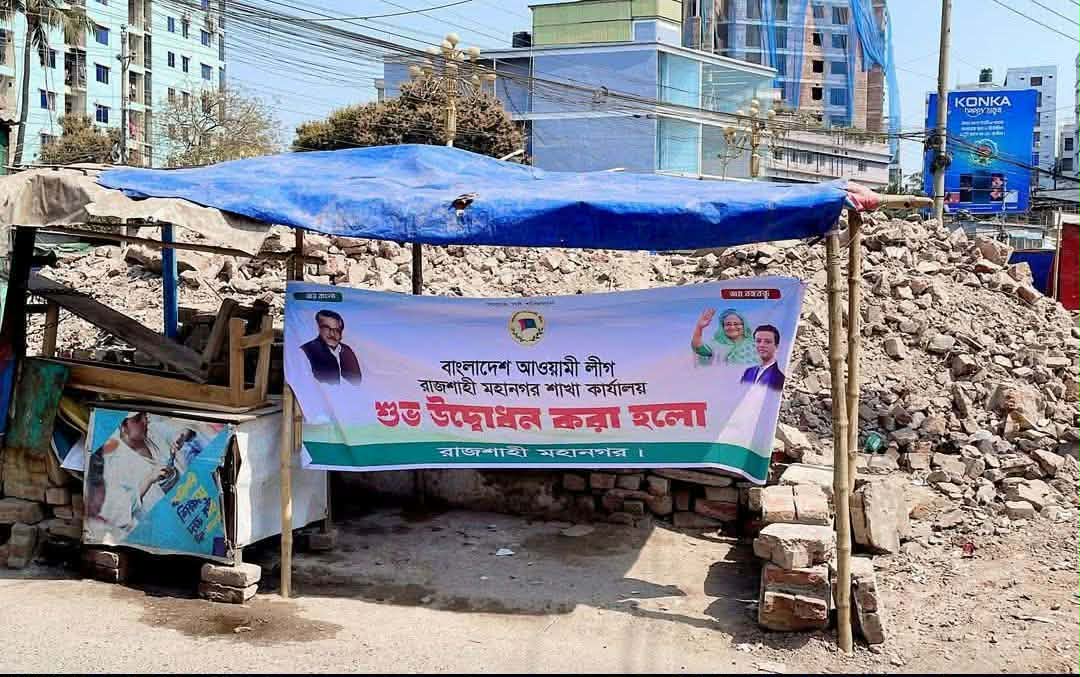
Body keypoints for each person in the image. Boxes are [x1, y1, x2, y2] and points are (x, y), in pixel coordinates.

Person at [89, 412, 170, 535]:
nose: (145, 421)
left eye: (144, 415)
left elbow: (180, 431)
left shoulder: (151, 434)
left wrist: (183, 434)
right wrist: (148, 480)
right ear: (123, 426)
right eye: (137, 419)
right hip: (154, 526)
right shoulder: (113, 462)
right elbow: (116, 511)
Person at [300, 309, 363, 385]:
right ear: (319, 328)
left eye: (337, 330)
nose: (332, 334)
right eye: (327, 328)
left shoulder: (347, 350)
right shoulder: (306, 351)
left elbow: (357, 381)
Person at [690, 308, 759, 366]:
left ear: (744, 325)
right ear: (723, 327)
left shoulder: (755, 344)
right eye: (728, 324)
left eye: (736, 324)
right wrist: (699, 327)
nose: (732, 327)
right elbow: (698, 348)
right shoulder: (716, 344)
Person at [740, 325, 786, 392]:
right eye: (758, 341)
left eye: (767, 342)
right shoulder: (748, 372)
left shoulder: (780, 378)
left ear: (776, 346)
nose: (762, 345)